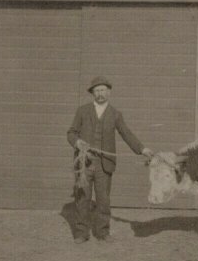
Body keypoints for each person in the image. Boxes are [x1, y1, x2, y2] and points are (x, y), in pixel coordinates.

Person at [65, 76, 153, 243]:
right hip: (84, 164)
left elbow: (127, 134)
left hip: (105, 165)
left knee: (103, 200)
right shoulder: (82, 111)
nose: (100, 94)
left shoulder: (115, 114)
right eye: (97, 90)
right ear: (92, 93)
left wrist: (142, 149)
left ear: (109, 92)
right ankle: (81, 233)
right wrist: (77, 142)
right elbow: (71, 133)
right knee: (82, 199)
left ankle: (103, 232)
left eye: (103, 90)